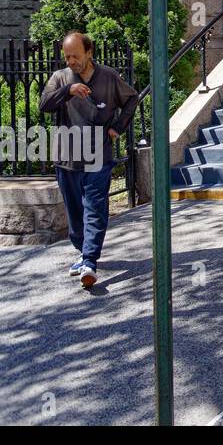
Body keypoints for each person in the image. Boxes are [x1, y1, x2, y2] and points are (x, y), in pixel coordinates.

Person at [39, 31, 140, 287]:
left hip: (99, 154)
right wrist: (68, 90)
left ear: (89, 52)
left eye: (75, 56)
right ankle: (84, 251)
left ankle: (90, 262)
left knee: (95, 207)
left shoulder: (108, 77)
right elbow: (44, 104)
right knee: (75, 213)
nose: (71, 61)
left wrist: (118, 126)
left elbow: (131, 99)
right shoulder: (60, 78)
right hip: (67, 157)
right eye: (67, 56)